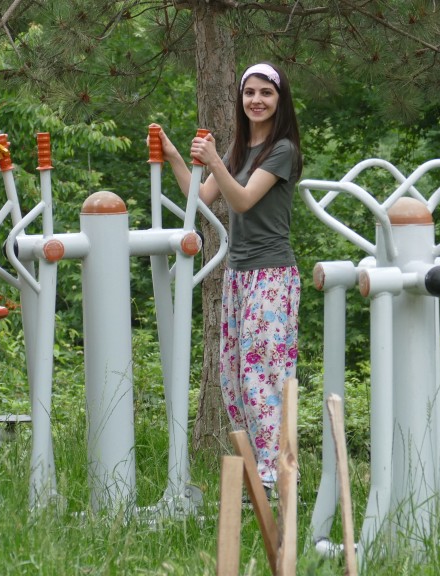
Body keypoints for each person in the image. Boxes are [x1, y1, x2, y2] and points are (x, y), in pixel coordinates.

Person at [153, 62, 303, 494]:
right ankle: (258, 473)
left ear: (280, 100)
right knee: (232, 378)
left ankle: (278, 479)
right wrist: (180, 158)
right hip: (238, 275)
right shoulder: (242, 147)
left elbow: (239, 201)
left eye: (266, 93)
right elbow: (202, 199)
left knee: (264, 376)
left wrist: (214, 159)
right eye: (249, 93)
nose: (256, 100)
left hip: (271, 275)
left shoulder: (283, 149)